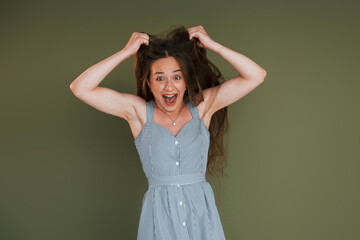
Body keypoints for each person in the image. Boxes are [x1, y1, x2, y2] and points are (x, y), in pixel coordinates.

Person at [70, 25, 266, 240]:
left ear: (186, 81)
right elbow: (80, 88)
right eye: (160, 78)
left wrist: (214, 46)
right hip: (159, 217)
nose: (169, 87)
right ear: (149, 83)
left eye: (177, 77)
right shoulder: (138, 113)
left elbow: (256, 75)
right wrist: (125, 52)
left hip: (201, 215)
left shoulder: (203, 107)